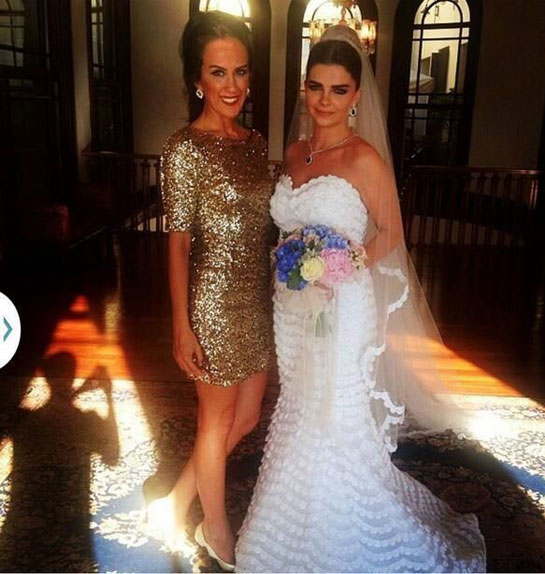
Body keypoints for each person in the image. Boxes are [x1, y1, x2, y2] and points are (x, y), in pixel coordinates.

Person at [235, 25, 486, 572]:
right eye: (315, 87)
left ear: (355, 95)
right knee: (298, 401)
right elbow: (288, 225)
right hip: (291, 305)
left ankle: (339, 528)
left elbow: (391, 232)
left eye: (338, 89)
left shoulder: (364, 158)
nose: (324, 100)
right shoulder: (294, 153)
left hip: (343, 303)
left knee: (332, 409)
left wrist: (340, 264)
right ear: (304, 88)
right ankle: (287, 520)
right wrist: (293, 261)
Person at [152, 11, 274, 571]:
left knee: (246, 417)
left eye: (240, 71)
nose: (232, 86)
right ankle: (215, 527)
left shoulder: (255, 144)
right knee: (215, 422)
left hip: (257, 299)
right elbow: (178, 244)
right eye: (219, 73)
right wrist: (182, 325)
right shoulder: (184, 149)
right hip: (213, 305)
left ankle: (178, 500)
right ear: (197, 79)